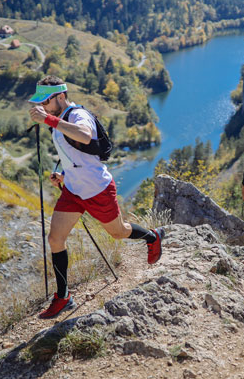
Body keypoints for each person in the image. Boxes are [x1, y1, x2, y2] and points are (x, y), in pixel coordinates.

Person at [28, 75, 165, 319]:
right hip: (73, 188)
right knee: (55, 239)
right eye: (41, 103)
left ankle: (152, 237)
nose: (43, 107)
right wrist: (63, 174)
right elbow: (77, 153)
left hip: (97, 189)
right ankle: (63, 296)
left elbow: (84, 136)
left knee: (118, 232)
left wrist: (48, 118)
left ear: (61, 96)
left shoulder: (78, 115)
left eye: (46, 101)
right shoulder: (57, 118)